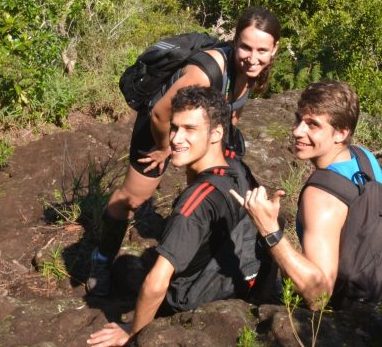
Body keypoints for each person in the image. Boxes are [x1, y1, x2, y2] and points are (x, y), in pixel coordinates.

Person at [88, 7, 281, 297]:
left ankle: (190, 254)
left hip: (200, 128)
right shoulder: (208, 70)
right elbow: (160, 114)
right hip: (162, 128)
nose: (252, 58)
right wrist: (165, 147)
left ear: (274, 49)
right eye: (245, 47)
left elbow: (233, 108)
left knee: (204, 189)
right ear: (235, 42)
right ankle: (100, 261)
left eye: (262, 50)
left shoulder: (250, 70)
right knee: (134, 197)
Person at [87, 86, 259, 347]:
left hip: (195, 300)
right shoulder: (237, 168)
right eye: (175, 128)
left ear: (216, 133)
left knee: (129, 271)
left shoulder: (194, 206)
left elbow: (156, 284)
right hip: (239, 282)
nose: (176, 139)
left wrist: (133, 332)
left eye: (190, 129)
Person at [231, 80, 382, 309]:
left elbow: (319, 296)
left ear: (341, 133)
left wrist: (268, 229)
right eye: (298, 119)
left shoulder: (320, 195)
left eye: (312, 125)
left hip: (338, 314)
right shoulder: (364, 158)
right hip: (373, 295)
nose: (297, 131)